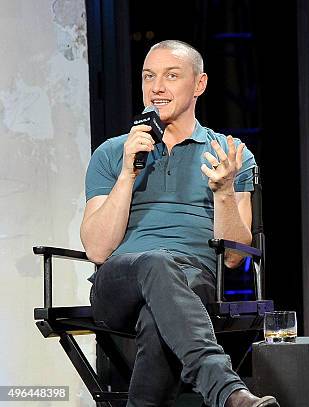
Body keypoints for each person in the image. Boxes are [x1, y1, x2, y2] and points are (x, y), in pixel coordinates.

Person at [81, 40, 279, 407]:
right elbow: (96, 249)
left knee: (159, 321)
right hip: (120, 281)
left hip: (193, 280)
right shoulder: (113, 152)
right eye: (148, 77)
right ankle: (229, 392)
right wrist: (128, 172)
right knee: (155, 262)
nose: (157, 87)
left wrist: (223, 191)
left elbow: (235, 257)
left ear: (199, 85)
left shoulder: (228, 154)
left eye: (171, 76)